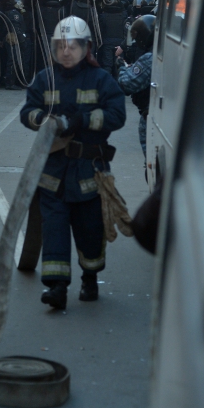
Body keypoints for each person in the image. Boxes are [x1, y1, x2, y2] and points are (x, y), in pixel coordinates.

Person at [20, 16, 127, 309]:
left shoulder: (101, 79)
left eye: (73, 46)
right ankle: (56, 288)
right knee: (53, 229)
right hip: (52, 173)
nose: (66, 52)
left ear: (86, 48)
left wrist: (84, 120)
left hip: (89, 173)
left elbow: (118, 115)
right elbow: (27, 111)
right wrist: (43, 119)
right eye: (61, 46)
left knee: (89, 231)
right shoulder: (45, 79)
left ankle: (90, 278)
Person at [116, 15, 155, 168]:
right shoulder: (161, 50)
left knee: (151, 165)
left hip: (150, 115)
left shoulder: (150, 58)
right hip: (157, 113)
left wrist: (121, 68)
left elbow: (127, 84)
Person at [1, 0, 28, 90]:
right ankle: (10, 83)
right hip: (14, 39)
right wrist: (22, 40)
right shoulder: (14, 13)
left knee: (16, 61)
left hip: (15, 39)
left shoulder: (15, 12)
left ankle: (17, 82)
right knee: (13, 61)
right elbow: (16, 28)